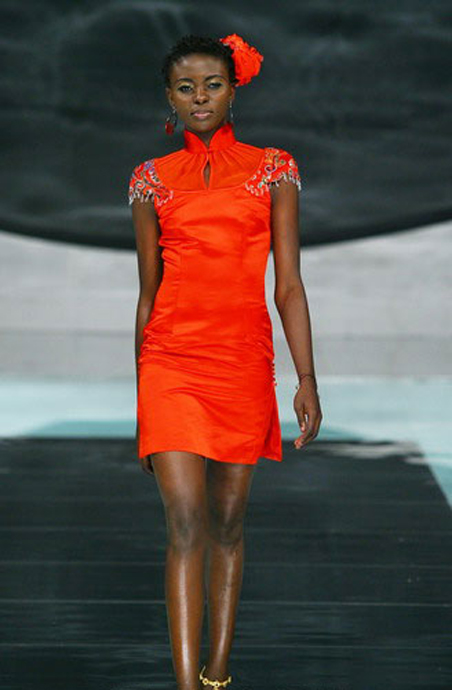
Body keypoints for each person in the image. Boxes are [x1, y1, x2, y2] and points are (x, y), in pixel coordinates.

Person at [128, 33, 322, 690]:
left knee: (228, 523)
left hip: (241, 361)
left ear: (233, 89)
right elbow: (148, 292)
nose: (200, 97)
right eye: (186, 87)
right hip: (171, 361)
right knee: (184, 522)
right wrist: (142, 395)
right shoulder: (150, 179)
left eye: (212, 84)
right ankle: (188, 686)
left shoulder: (274, 169)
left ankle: (218, 673)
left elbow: (288, 284)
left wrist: (306, 378)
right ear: (170, 98)